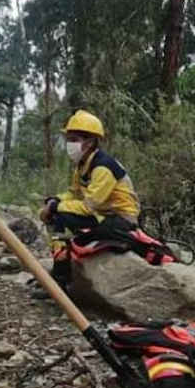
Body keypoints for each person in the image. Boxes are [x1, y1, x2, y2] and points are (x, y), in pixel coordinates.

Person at [35, 110, 140, 296]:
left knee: (60, 216)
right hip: (104, 216)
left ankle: (60, 282)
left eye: (74, 139)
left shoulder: (103, 167)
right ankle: (61, 274)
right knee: (58, 214)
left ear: (90, 142)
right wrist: (55, 200)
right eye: (69, 139)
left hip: (122, 222)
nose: (69, 144)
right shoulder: (83, 164)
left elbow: (89, 206)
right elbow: (74, 193)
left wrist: (55, 207)